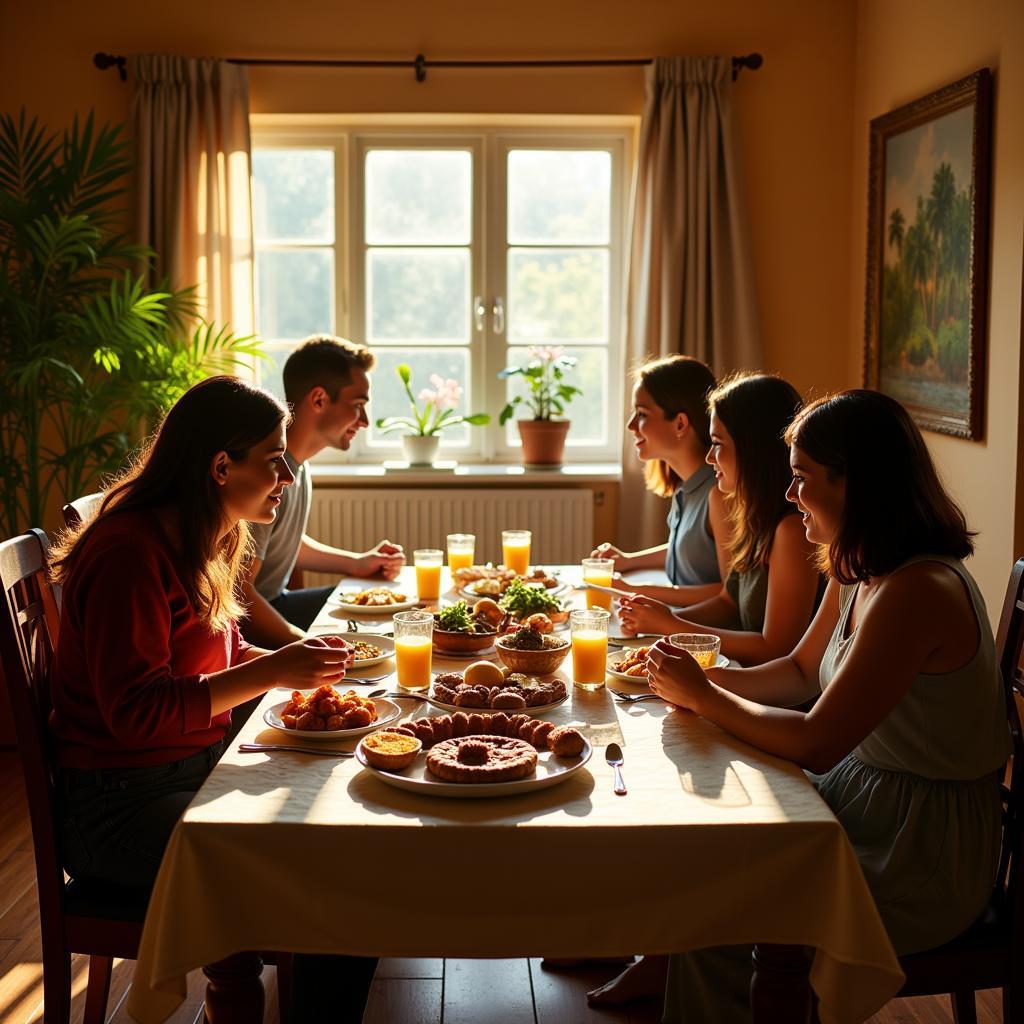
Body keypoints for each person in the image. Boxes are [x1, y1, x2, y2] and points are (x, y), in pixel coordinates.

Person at [645, 389, 1010, 1023]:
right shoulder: (857, 567)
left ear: (857, 485)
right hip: (860, 800)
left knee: (718, 919)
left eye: (802, 480)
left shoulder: (918, 590)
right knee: (708, 866)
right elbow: (797, 671)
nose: (789, 496)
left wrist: (705, 695)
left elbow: (817, 740)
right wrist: (697, 685)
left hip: (918, 848)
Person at [50, 375, 378, 1022]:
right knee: (336, 888)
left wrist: (297, 670)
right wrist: (276, 669)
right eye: (274, 458)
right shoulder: (128, 553)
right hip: (117, 809)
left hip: (187, 772)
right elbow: (138, 712)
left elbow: (220, 662)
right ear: (220, 466)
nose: (286, 474)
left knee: (346, 836)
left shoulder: (202, 535)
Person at [618, 373, 823, 666]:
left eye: (718, 444)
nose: (710, 458)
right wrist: (659, 619)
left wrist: (671, 626)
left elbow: (776, 648)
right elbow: (728, 603)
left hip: (767, 690)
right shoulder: (752, 515)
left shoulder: (791, 531)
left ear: (752, 449)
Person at [243, 334, 405, 648]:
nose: (365, 421)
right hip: (252, 622)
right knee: (365, 635)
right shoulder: (270, 471)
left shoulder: (298, 465)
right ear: (318, 399)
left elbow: (280, 540)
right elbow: (240, 592)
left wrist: (357, 562)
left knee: (386, 613)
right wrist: (305, 644)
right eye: (358, 405)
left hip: (278, 601)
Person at [590, 355, 730, 605]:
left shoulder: (717, 493)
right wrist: (628, 560)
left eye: (642, 414)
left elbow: (729, 594)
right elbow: (688, 551)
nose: (631, 425)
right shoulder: (687, 486)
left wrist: (634, 590)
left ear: (680, 423)